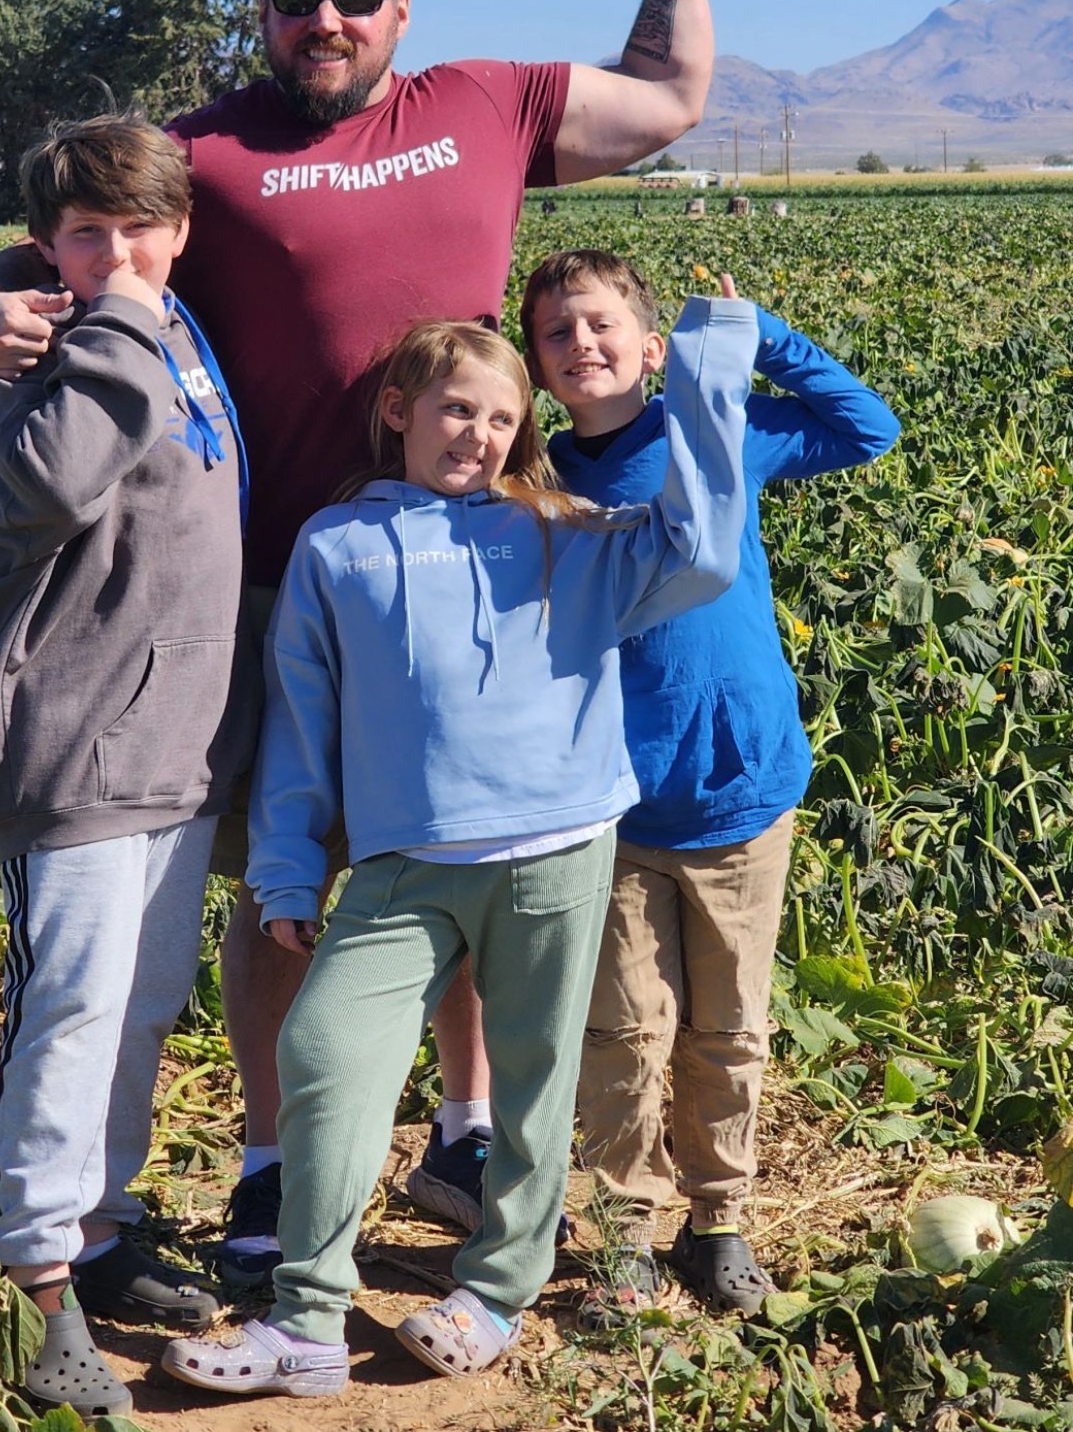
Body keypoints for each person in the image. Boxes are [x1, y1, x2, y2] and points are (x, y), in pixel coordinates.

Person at [0, 0, 714, 1289]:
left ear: (401, 10)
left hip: (473, 562)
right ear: (263, 11)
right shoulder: (206, 155)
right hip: (277, 586)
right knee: (285, 880)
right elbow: (67, 235)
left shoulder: (488, 103)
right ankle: (273, 1159)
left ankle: (463, 1133)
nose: (327, 19)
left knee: (470, 847)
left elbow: (670, 97)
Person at [160, 298, 756, 1397]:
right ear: (399, 410)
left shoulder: (564, 529)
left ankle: (495, 1291)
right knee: (324, 1050)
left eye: (501, 417)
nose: (477, 435)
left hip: (557, 848)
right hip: (406, 862)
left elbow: (703, 553)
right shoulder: (337, 545)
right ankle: (307, 1319)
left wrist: (710, 369)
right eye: (455, 409)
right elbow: (300, 722)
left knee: (534, 1081)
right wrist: (286, 863)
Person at [520, 249, 900, 1323]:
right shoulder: (535, 485)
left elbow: (867, 428)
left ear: (653, 347)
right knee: (622, 1033)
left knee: (730, 1027)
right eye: (556, 333)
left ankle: (719, 1219)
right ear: (537, 367)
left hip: (740, 789)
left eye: (601, 324)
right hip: (610, 803)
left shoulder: (716, 432)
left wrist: (760, 336)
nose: (581, 344)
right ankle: (626, 1232)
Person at [0, 112, 256, 1416]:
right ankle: (31, 1281)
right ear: (48, 246)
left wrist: (119, 301)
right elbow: (53, 484)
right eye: (89, 233)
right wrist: (88, 304)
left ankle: (98, 1228)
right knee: (70, 1009)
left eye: (142, 228)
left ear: (183, 228)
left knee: (139, 1007)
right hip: (71, 742)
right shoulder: (53, 345)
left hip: (174, 745)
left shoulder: (178, 328)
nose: (120, 252)